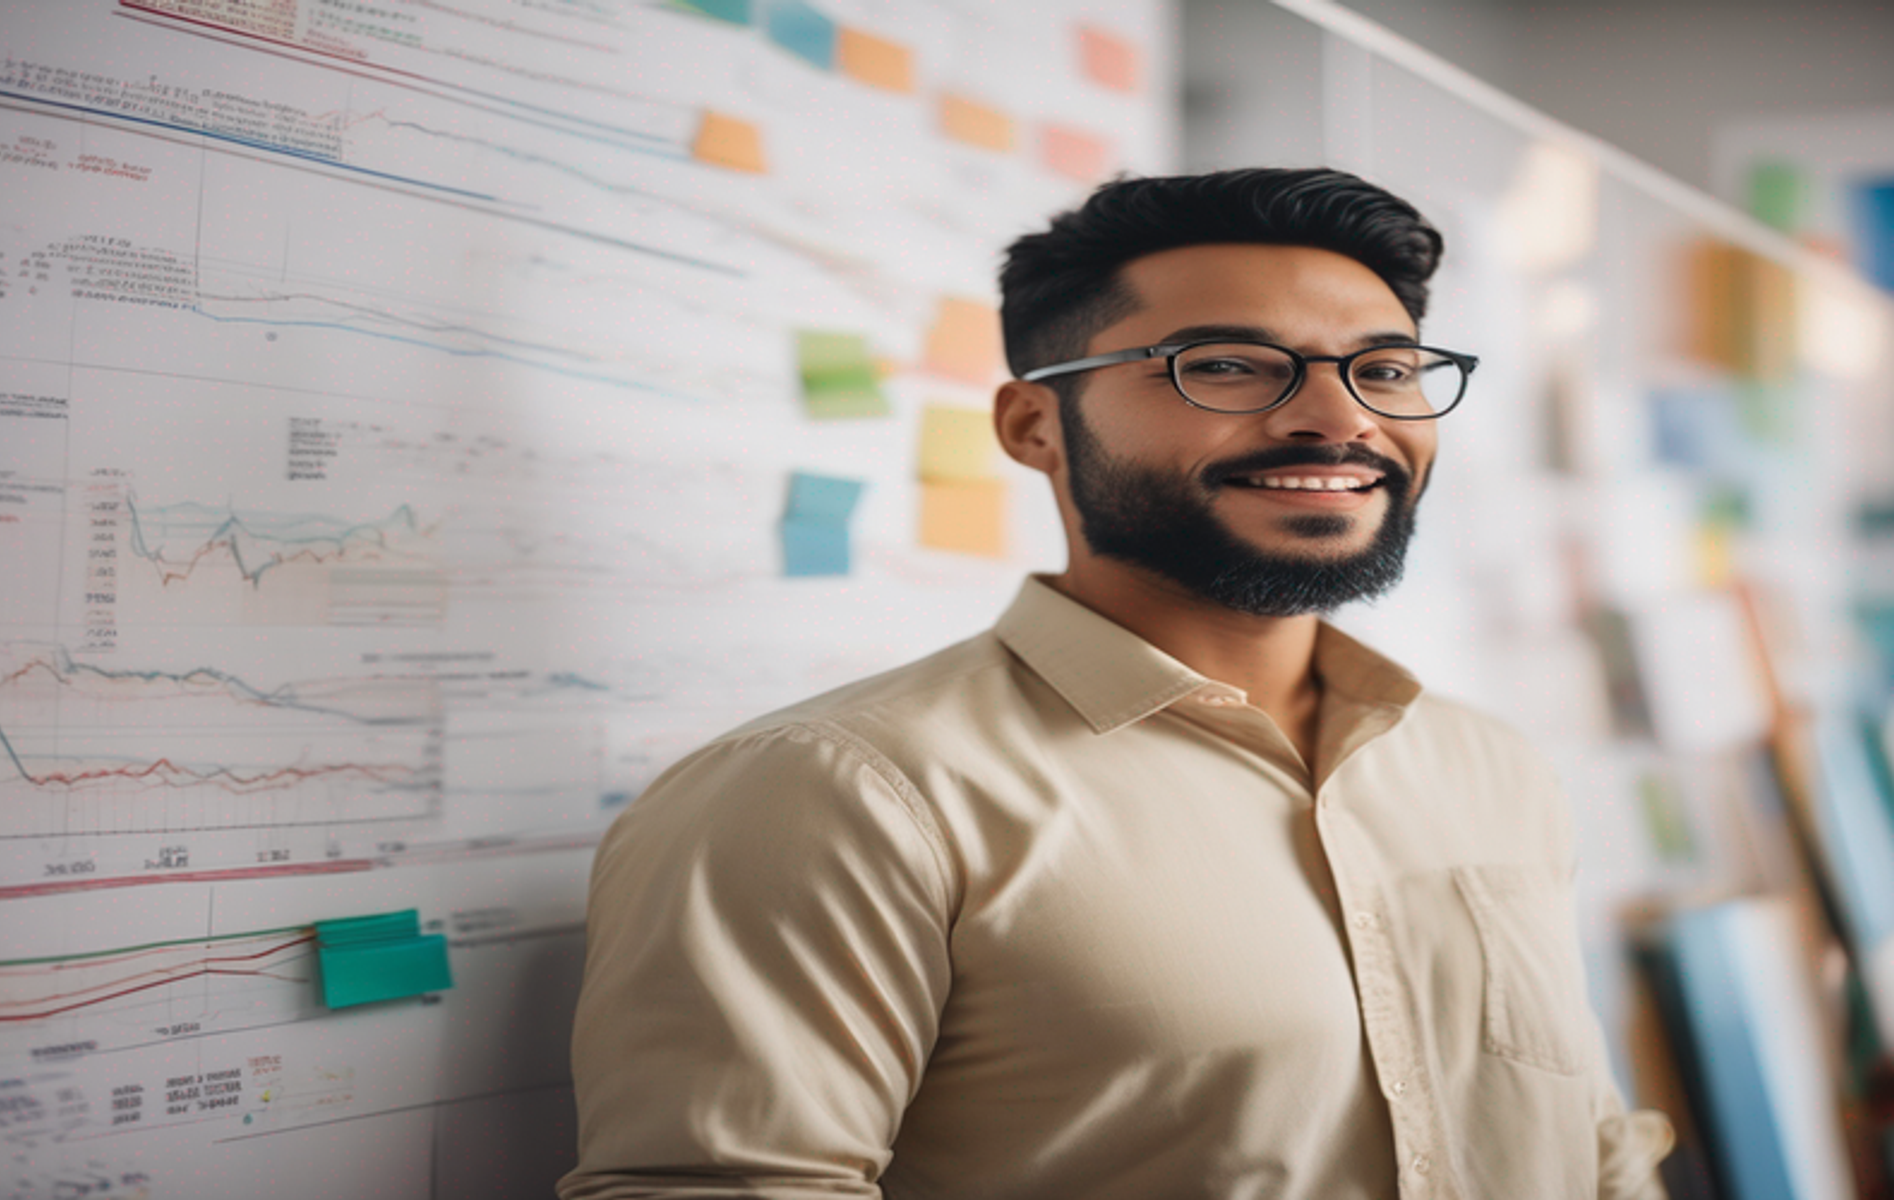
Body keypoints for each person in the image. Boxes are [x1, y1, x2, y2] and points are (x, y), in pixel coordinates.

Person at [560, 167, 1675, 1199]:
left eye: (1383, 369)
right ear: (1034, 425)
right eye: (1228, 364)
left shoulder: (1489, 766)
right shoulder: (837, 798)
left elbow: (1587, 1147)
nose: (1341, 419)